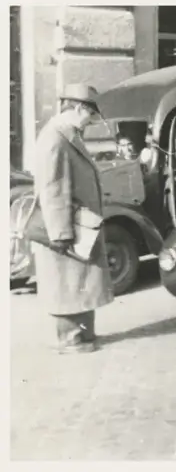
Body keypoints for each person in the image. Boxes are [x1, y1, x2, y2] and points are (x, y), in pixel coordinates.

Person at [32, 84, 114, 354]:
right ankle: (69, 339)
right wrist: (60, 232)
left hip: (78, 221)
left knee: (81, 280)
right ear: (79, 108)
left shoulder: (68, 134)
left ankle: (83, 335)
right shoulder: (55, 138)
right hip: (66, 225)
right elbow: (52, 187)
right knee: (66, 283)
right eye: (90, 116)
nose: (91, 123)